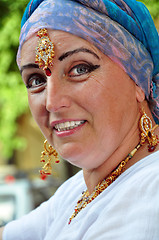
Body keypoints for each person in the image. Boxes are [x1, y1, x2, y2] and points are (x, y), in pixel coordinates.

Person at [1, 0, 159, 239]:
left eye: (80, 69)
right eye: (35, 81)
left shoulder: (151, 193)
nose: (52, 102)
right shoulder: (81, 189)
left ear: (137, 77)